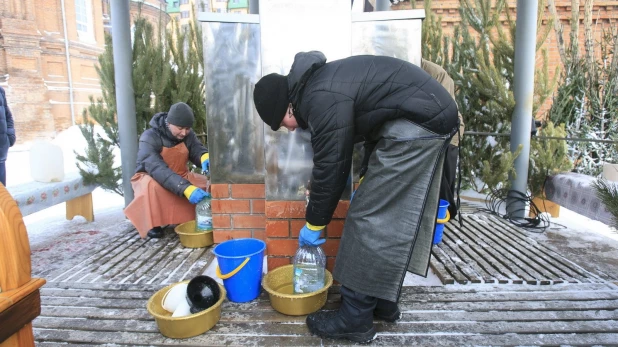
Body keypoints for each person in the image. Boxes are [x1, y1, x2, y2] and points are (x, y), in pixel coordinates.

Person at [253, 51, 459, 343]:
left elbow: (332, 166)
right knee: (393, 215)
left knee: (367, 217)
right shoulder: (319, 86)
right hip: (424, 117)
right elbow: (366, 127)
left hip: (420, 124)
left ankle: (355, 318)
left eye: (282, 124)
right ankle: (381, 300)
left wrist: (313, 224)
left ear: (286, 109)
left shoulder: (318, 98)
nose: (289, 129)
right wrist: (365, 173)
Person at [124, 102, 210, 239]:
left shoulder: (188, 135)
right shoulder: (149, 137)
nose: (184, 133)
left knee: (207, 185)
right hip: (153, 178)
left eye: (187, 129)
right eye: (180, 128)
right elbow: (158, 169)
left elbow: (196, 149)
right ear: (169, 123)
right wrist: (186, 189)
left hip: (181, 176)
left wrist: (204, 156)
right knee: (150, 187)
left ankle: (202, 217)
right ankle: (153, 223)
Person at [421, 59, 464, 220]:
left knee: (443, 182)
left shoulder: (434, 72)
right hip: (428, 134)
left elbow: (443, 108)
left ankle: (444, 218)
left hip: (448, 133)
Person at [0, 86, 16, 187]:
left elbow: (8, 116)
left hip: (1, 157)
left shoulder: (0, 91)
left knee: (2, 198)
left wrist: (10, 136)